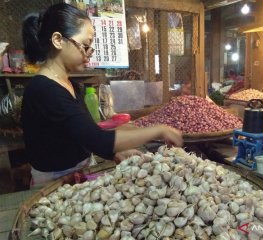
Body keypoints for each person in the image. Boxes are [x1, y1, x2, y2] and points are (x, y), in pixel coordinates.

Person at [21, 3, 183, 187]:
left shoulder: (71, 84)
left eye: (91, 47)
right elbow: (98, 140)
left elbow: (86, 134)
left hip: (78, 175)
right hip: (52, 184)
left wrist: (114, 153)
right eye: (85, 45)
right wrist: (159, 130)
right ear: (58, 40)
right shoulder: (44, 90)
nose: (89, 53)